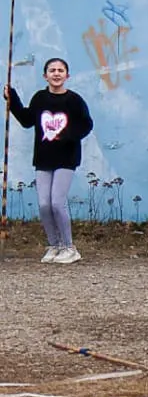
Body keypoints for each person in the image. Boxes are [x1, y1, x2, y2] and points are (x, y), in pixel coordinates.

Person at [4, 58, 94, 265]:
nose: (56, 73)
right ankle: (54, 245)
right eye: (52, 70)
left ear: (67, 75)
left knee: (57, 202)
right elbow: (27, 120)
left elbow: (86, 124)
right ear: (45, 75)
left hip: (67, 158)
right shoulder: (39, 98)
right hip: (43, 157)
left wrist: (68, 135)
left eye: (60, 70)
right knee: (44, 204)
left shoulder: (74, 100)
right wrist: (12, 99)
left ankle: (69, 247)